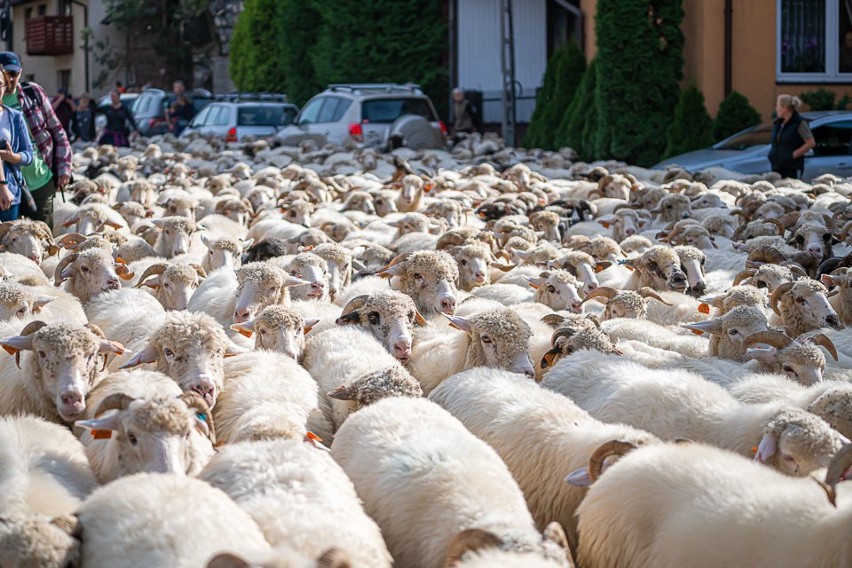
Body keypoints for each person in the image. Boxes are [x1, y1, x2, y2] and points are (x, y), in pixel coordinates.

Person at [0, 51, 72, 230]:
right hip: (7, 186)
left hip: (39, 180)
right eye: (5, 74)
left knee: (41, 239)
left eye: (14, 73)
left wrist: (64, 166)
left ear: (20, 73)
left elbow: (57, 130)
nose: (10, 79)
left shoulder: (33, 93)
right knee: (9, 243)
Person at [0, 70, 34, 222]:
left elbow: (29, 154)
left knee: (8, 243)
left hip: (10, 195)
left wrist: (14, 157)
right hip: (5, 189)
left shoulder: (15, 117)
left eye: (0, 84)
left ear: (5, 86)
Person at [768, 94, 816, 180]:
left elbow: (810, 143)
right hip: (777, 166)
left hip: (791, 167)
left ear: (785, 108)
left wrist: (792, 156)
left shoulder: (799, 123)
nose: (776, 108)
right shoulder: (779, 123)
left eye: (778, 105)